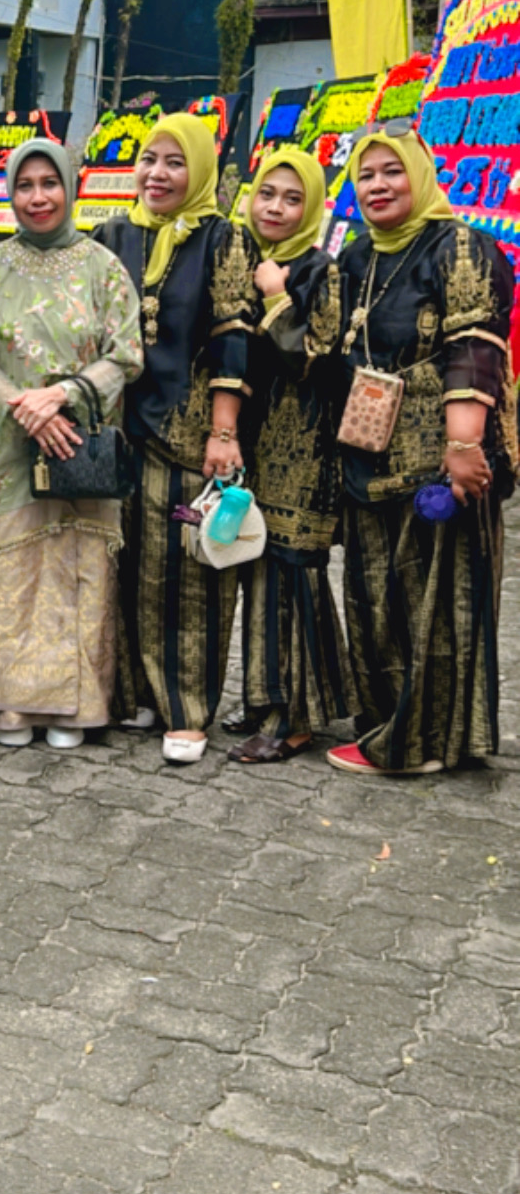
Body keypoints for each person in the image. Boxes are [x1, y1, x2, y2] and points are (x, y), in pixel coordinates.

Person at [329, 129, 514, 778]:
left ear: (421, 174)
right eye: (365, 175)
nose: (377, 186)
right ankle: (388, 724)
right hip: (369, 457)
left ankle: (424, 742)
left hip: (438, 466)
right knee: (377, 601)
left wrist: (463, 445)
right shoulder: (357, 256)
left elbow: (476, 346)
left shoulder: (459, 246)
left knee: (436, 605)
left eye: (392, 171)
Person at [0, 138, 142, 749]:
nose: (37, 197)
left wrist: (63, 397)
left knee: (78, 569)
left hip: (80, 447)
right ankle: (7, 707)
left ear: (69, 187)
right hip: (10, 449)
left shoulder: (102, 267)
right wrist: (27, 411)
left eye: (49, 183)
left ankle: (77, 709)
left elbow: (127, 354)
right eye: (24, 185)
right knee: (12, 571)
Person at [96, 113, 257, 763]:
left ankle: (187, 709)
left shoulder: (223, 239)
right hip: (119, 431)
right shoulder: (114, 234)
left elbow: (232, 339)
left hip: (187, 435)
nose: (156, 174)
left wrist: (224, 431)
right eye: (148, 159)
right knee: (126, 565)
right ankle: (138, 693)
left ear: (201, 170)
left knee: (188, 574)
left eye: (174, 162)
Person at [231, 146, 354, 762]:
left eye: (292, 198)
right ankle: (267, 699)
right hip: (257, 444)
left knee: (292, 573)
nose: (275, 207)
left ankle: (294, 719)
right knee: (260, 569)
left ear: (312, 208)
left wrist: (278, 297)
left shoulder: (318, 270)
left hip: (304, 448)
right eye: (267, 194)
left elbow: (315, 357)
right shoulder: (248, 257)